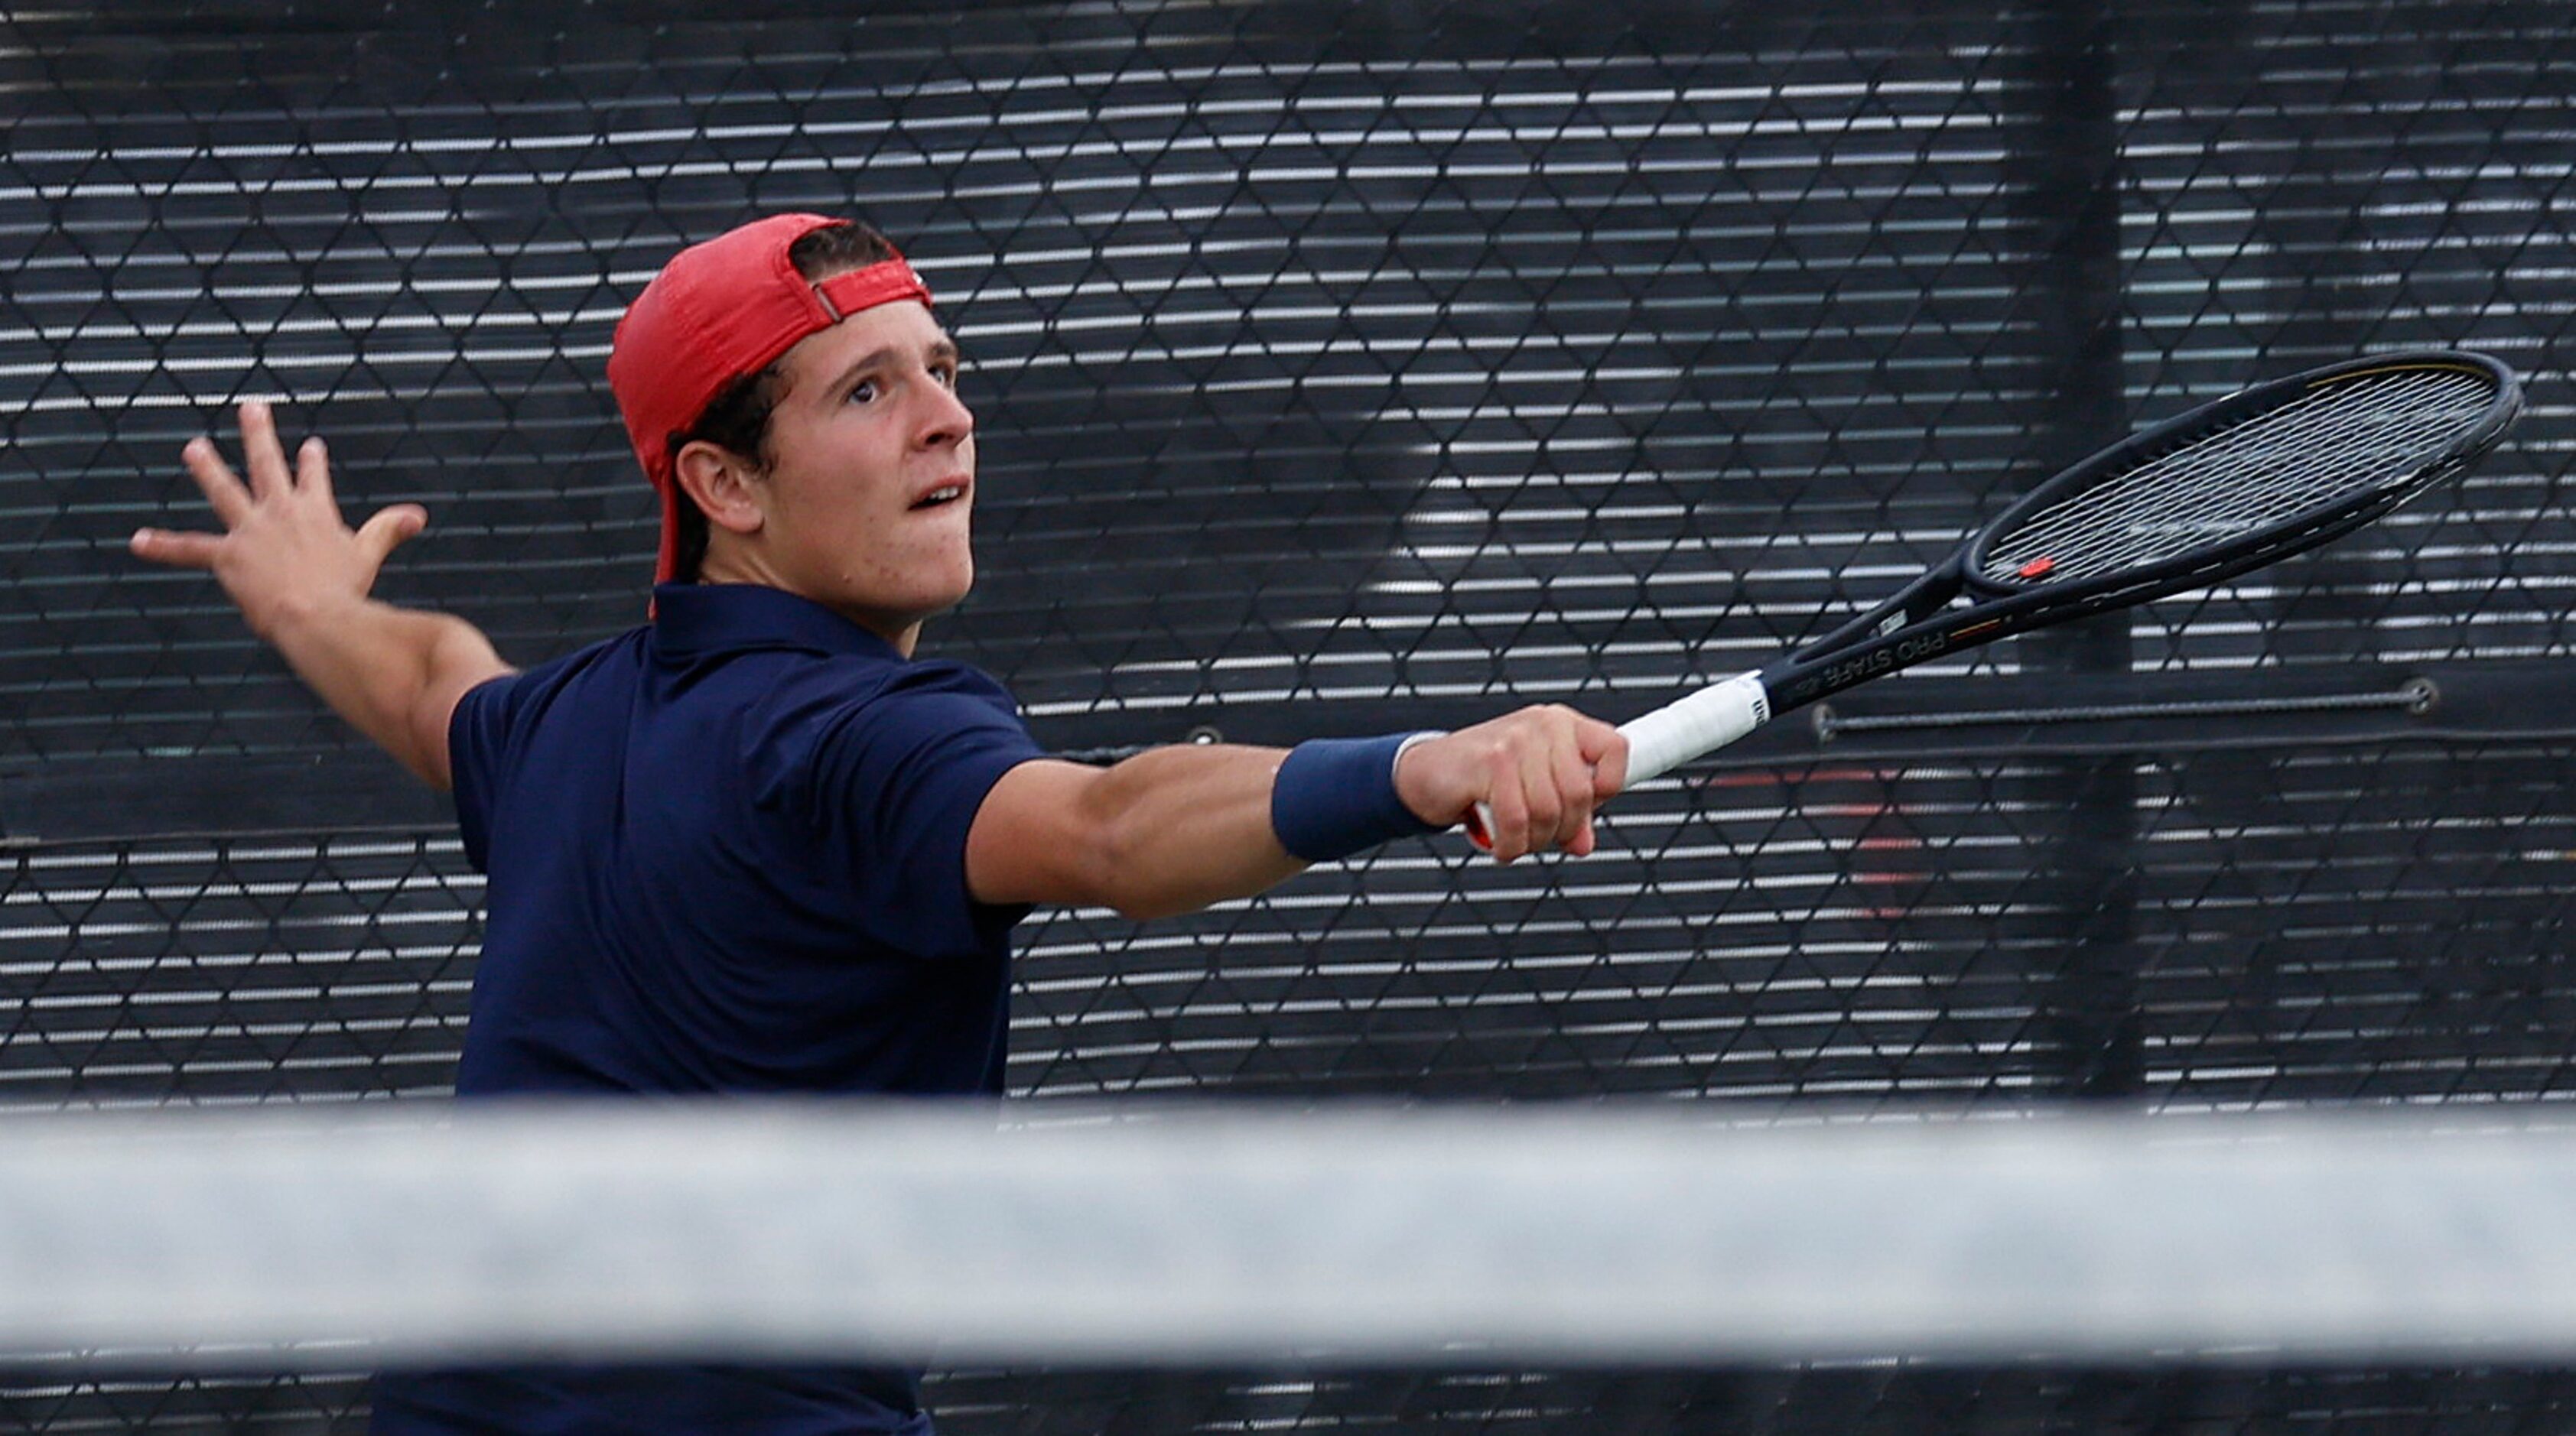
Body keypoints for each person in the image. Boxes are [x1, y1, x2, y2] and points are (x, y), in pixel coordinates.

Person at [131, 212, 1628, 1434]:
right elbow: (1111, 830)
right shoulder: (863, 737)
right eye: (867, 391)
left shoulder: (560, 724)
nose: (947, 417)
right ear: (723, 484)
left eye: (941, 367)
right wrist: (1424, 768)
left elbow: (429, 680)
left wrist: (311, 601)